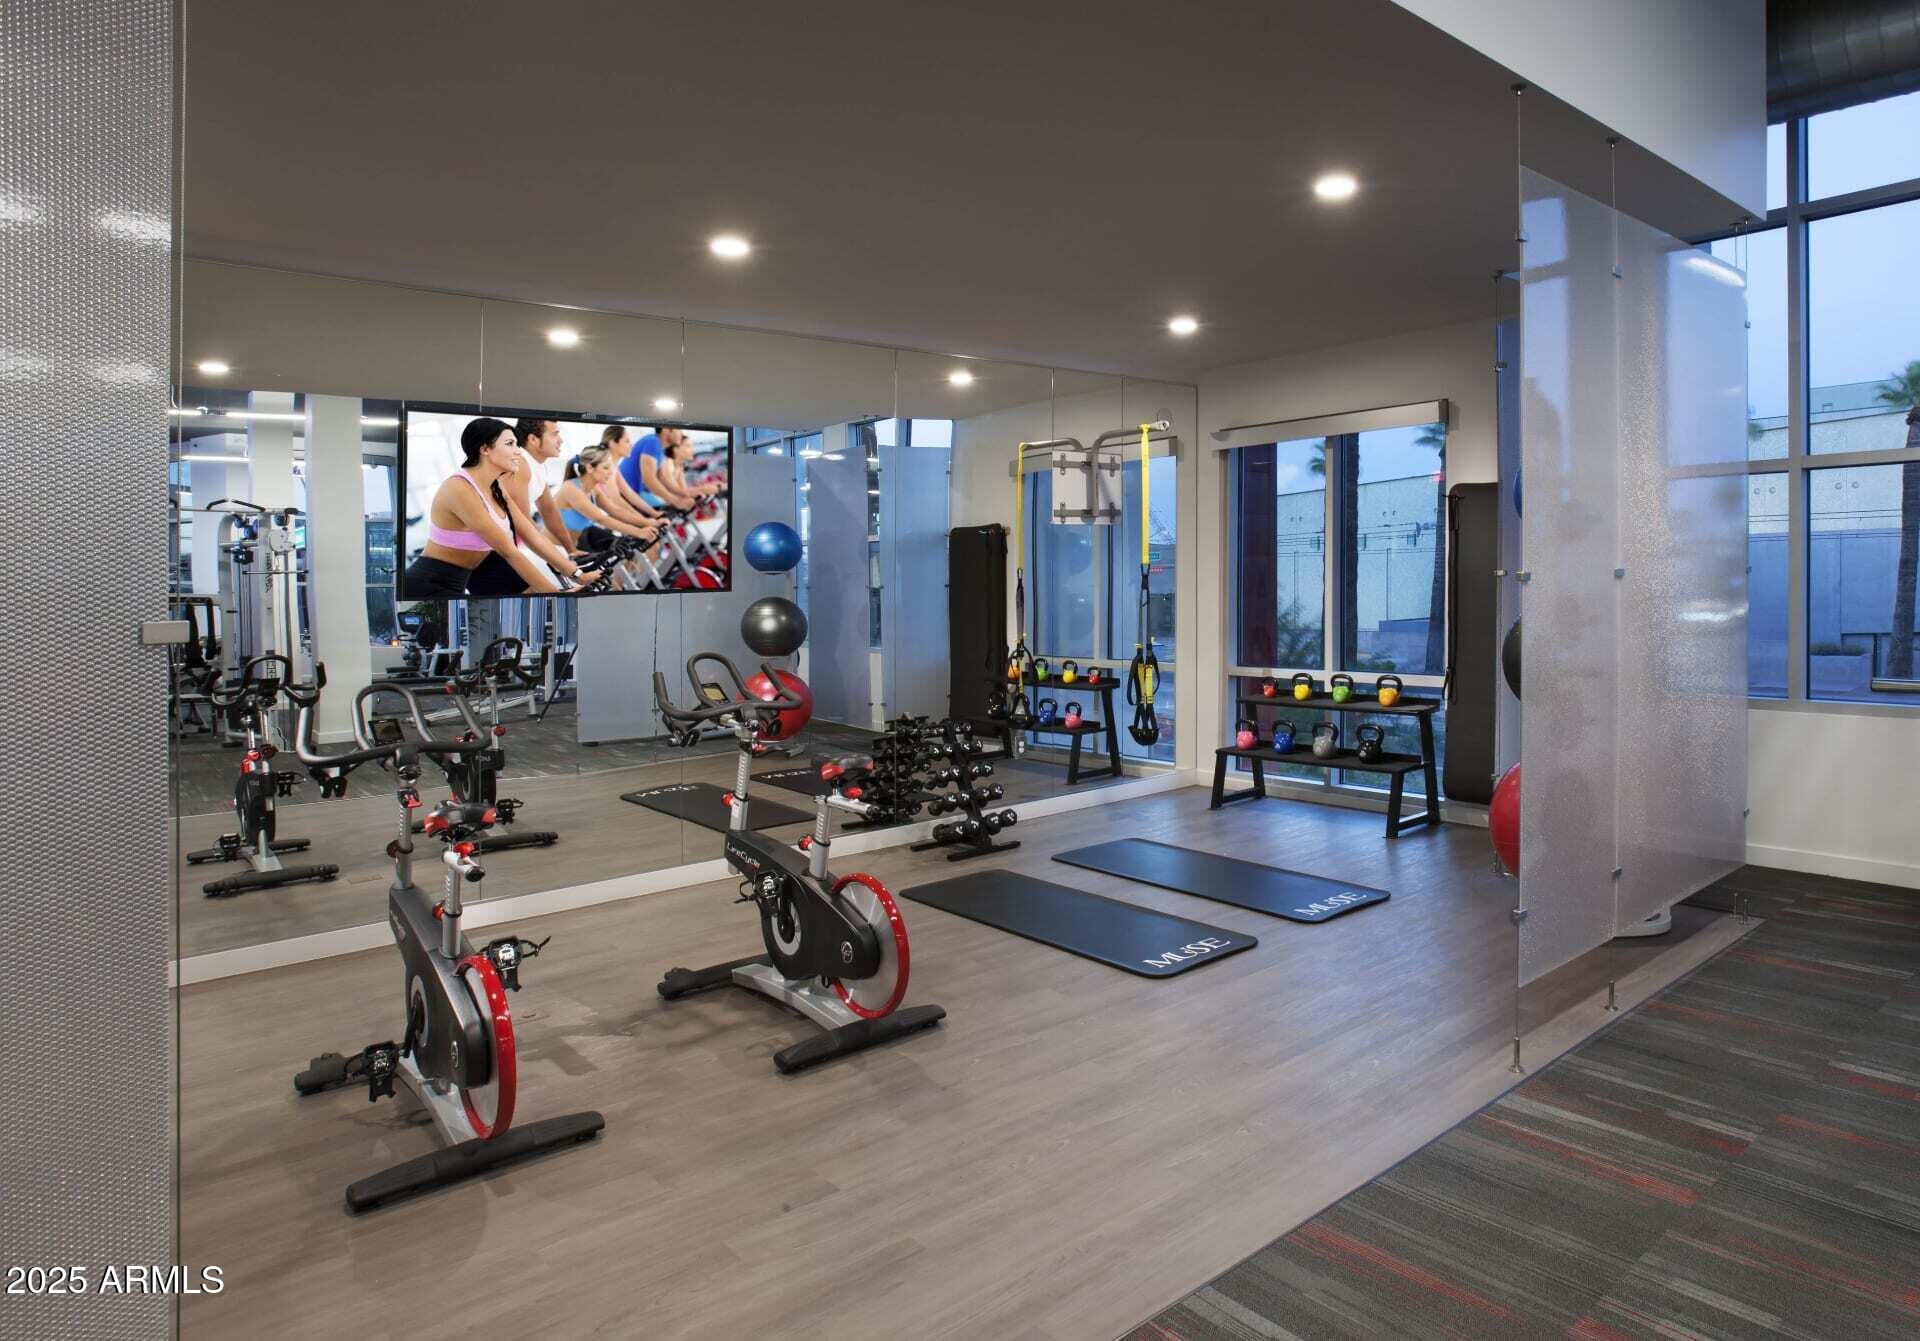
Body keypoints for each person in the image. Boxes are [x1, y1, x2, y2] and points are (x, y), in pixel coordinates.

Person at [402, 418, 565, 600]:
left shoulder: (495, 487)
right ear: (485, 449)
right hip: (428, 584)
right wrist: (557, 594)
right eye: (510, 444)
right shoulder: (459, 488)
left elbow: (528, 531)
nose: (518, 451)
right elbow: (509, 551)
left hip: (462, 580)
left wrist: (573, 572)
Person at [619, 426, 714, 512]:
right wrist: (675, 501)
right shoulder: (653, 442)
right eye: (679, 430)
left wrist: (685, 494)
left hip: (633, 493)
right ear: (666, 430)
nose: (681, 434)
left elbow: (662, 478)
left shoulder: (660, 449)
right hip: (625, 493)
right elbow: (649, 479)